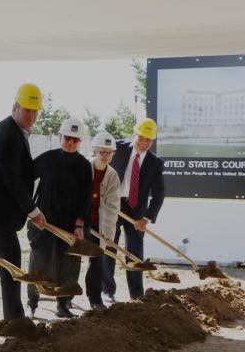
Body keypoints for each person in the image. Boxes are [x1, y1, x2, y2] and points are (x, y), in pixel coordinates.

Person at [0, 83, 48, 320]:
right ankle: (15, 319)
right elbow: (13, 181)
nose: (32, 116)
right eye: (28, 110)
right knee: (12, 264)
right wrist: (33, 211)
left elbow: (21, 172)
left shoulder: (14, 131)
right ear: (15, 108)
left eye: (35, 111)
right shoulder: (8, 134)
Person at [26, 117, 92, 318]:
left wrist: (80, 224)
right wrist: (30, 208)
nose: (70, 142)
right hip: (44, 220)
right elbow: (25, 179)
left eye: (75, 139)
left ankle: (63, 305)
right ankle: (32, 303)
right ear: (60, 137)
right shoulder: (47, 158)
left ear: (80, 141)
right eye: (67, 138)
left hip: (70, 223)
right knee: (39, 262)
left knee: (69, 264)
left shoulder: (83, 165)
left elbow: (85, 197)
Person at [102, 118, 165, 301]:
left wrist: (147, 217)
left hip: (137, 210)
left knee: (135, 251)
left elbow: (159, 194)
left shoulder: (155, 163)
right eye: (142, 137)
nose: (145, 142)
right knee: (109, 246)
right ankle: (107, 291)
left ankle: (136, 295)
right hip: (114, 204)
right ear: (134, 134)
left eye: (149, 140)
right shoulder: (116, 148)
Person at [85, 131, 121, 310]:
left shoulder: (113, 176)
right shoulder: (83, 167)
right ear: (94, 151)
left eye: (110, 153)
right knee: (71, 260)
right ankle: (65, 300)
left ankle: (95, 299)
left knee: (97, 260)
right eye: (102, 152)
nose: (106, 156)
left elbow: (112, 208)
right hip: (79, 222)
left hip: (97, 224)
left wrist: (107, 234)